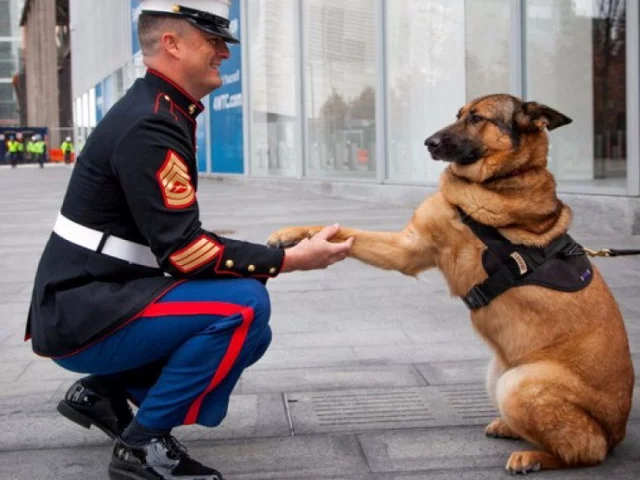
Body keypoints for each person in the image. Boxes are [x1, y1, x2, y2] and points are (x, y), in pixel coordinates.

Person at [25, 1, 353, 479]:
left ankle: (103, 393)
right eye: (212, 41)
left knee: (252, 331)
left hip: (91, 297)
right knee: (242, 306)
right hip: (81, 311)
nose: (223, 52)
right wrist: (291, 259)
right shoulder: (151, 121)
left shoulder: (159, 109)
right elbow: (185, 252)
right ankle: (142, 444)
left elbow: (174, 241)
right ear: (172, 44)